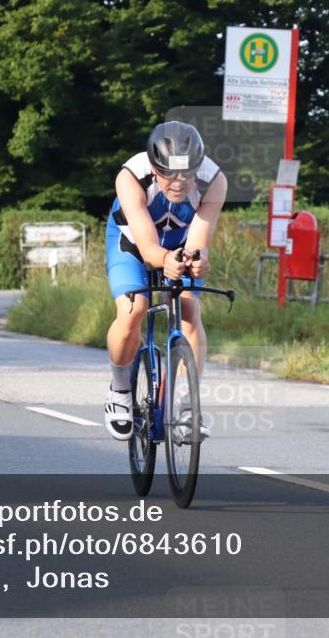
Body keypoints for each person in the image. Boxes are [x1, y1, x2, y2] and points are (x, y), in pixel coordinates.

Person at [103, 121, 227, 441]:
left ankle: (187, 405)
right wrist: (163, 260)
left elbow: (198, 239)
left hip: (180, 242)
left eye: (186, 174)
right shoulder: (130, 177)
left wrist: (196, 262)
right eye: (169, 175)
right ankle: (119, 389)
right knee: (134, 309)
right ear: (155, 167)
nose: (178, 183)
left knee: (189, 311)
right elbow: (146, 246)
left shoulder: (214, 181)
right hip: (130, 242)